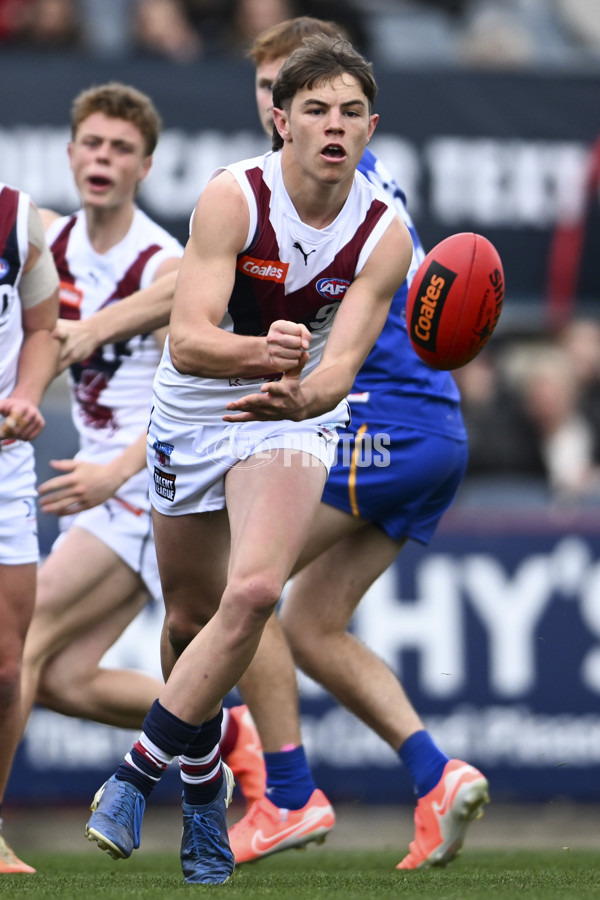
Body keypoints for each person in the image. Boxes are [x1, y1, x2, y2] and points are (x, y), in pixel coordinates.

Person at [84, 33, 414, 885]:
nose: (334, 125)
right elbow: (189, 342)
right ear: (281, 121)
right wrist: (264, 355)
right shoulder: (233, 196)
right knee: (189, 623)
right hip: (195, 410)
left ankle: (133, 778)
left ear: (371, 129)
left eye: (350, 112)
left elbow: (340, 368)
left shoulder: (384, 234)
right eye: (316, 110)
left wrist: (305, 396)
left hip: (290, 419)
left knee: (259, 590)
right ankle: (205, 792)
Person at [224, 16, 490, 871]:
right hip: (433, 428)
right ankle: (437, 775)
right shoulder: (352, 177)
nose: (279, 107)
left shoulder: (320, 189)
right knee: (311, 622)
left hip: (381, 417)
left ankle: (287, 795)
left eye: (307, 97)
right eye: (271, 89)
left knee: (243, 583)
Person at [11, 82, 183, 824]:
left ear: (146, 166)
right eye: (93, 143)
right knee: (64, 679)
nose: (103, 159)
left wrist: (117, 470)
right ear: (70, 152)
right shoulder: (48, 243)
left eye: (121, 148)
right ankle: (217, 732)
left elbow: (192, 405)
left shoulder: (164, 266)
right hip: (98, 484)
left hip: (143, 486)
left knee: (18, 642)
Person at [0, 183, 60, 874]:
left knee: (7, 668)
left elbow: (44, 328)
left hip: (5, 462)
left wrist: (26, 394)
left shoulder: (17, 219)